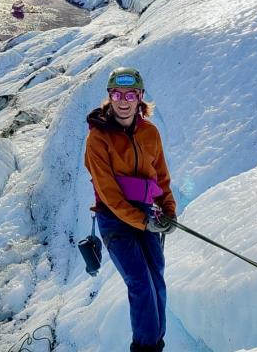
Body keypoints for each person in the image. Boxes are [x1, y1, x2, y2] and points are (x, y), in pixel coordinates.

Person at [84, 67, 177, 351]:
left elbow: (160, 175)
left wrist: (168, 210)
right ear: (109, 97)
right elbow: (108, 192)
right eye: (117, 94)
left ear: (140, 98)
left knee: (156, 280)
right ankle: (145, 347)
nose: (123, 101)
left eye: (130, 94)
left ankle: (154, 344)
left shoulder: (150, 133)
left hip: (146, 214)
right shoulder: (98, 139)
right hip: (114, 219)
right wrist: (142, 221)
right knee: (140, 283)